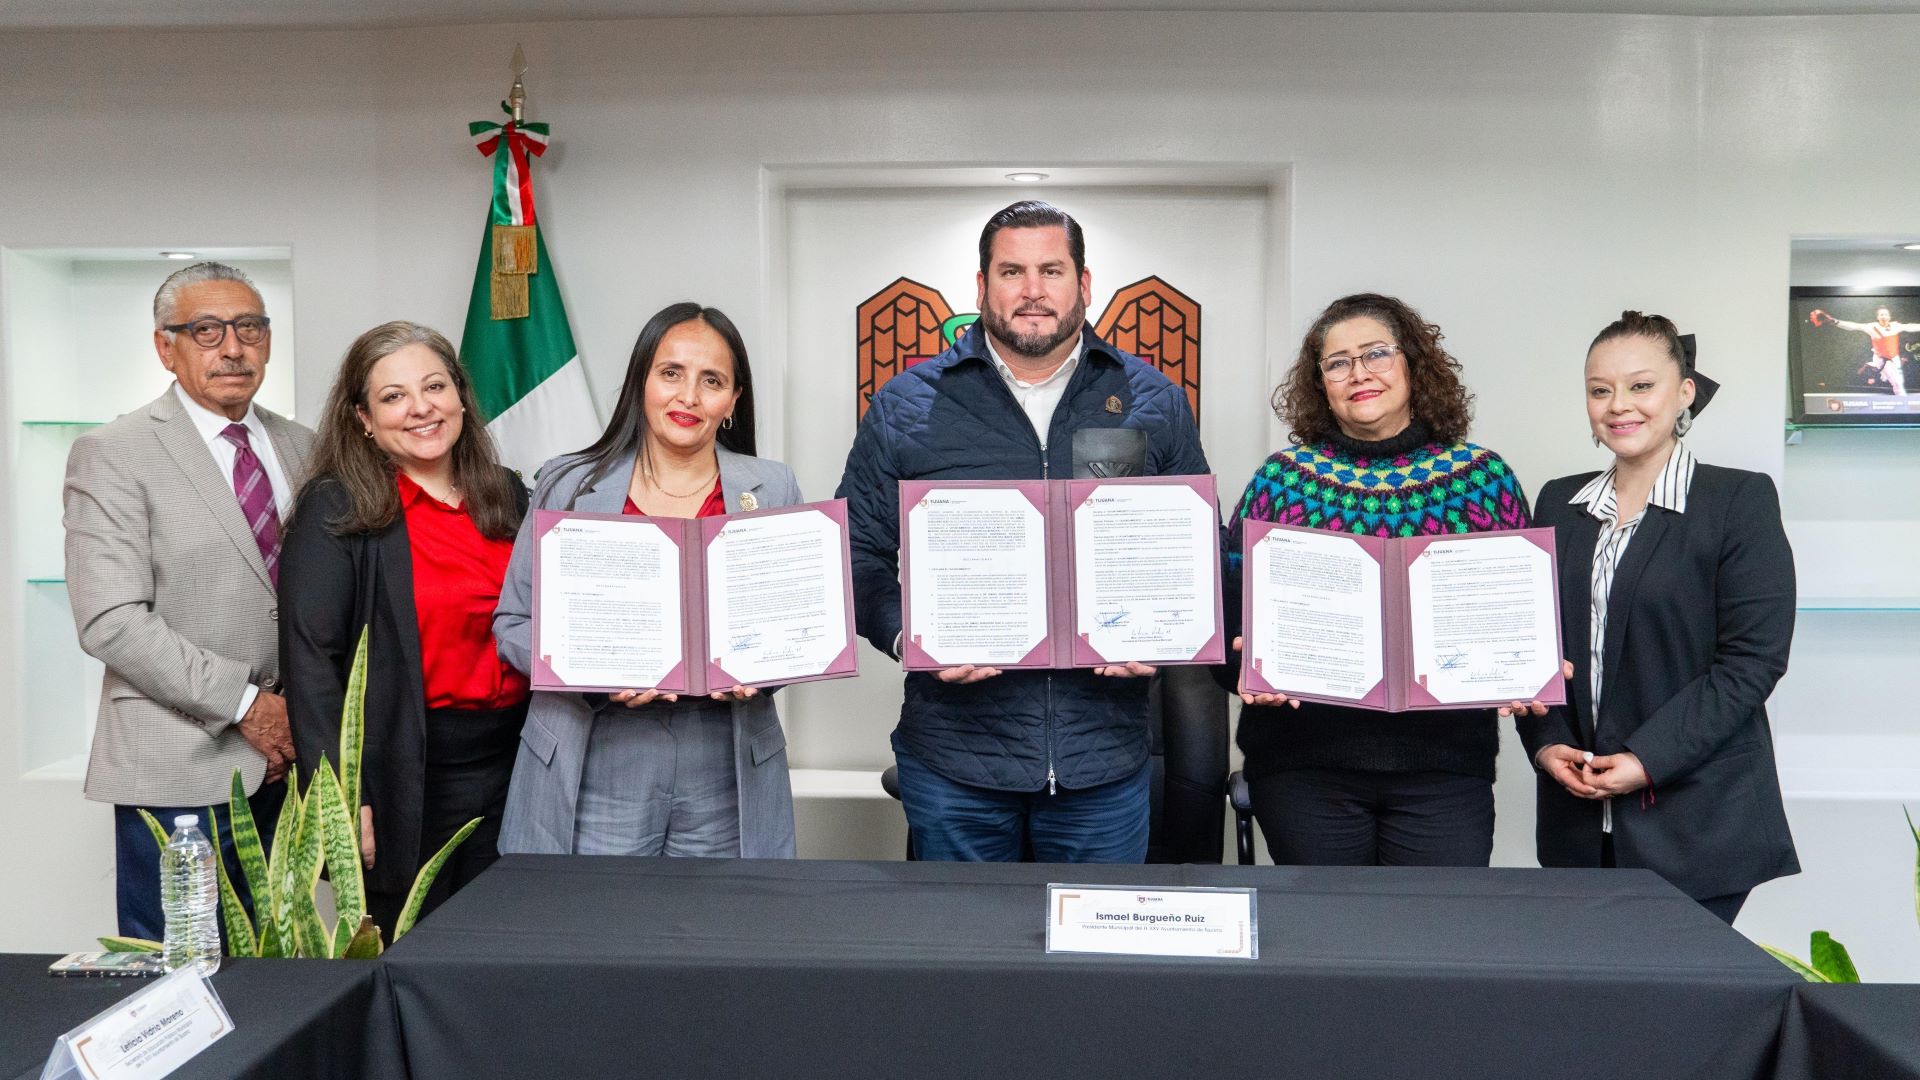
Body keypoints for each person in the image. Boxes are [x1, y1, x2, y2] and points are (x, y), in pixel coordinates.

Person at [836, 200, 1210, 863]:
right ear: (981, 287)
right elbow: (856, 555)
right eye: (1012, 271)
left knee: (1093, 964)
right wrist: (908, 635)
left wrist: (1169, 634)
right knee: (960, 957)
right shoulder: (906, 405)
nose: (1033, 291)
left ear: (1084, 284)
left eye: (1051, 270)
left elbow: (1200, 548)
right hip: (955, 763)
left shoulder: (1152, 399)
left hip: (1102, 763)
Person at [1223, 293, 1531, 867]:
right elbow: (1226, 622)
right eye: (1337, 362)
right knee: (1325, 943)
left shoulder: (1483, 480)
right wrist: (1242, 669)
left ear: (1413, 362)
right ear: (1320, 383)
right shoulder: (1282, 482)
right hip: (1303, 767)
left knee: (1431, 942)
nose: (1358, 373)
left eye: (1376, 354)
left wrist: (1527, 667)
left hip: (1442, 769)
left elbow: (1521, 615)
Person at [1520, 311, 1799, 924]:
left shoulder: (1737, 501)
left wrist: (1646, 760)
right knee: (1589, 1010)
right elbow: (1532, 648)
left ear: (1684, 392)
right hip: (1577, 825)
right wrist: (1547, 745)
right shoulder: (1558, 505)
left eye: (1641, 385)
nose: (1619, 405)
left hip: (1698, 823)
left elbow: (1751, 665)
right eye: (1600, 390)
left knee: (1678, 1015)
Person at [63, 261, 314, 939]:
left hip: (291, 766)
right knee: (176, 991)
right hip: (177, 767)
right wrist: (247, 705)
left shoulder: (304, 447)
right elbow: (111, 621)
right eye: (206, 330)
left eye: (250, 328)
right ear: (164, 346)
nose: (233, 348)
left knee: (281, 978)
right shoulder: (112, 453)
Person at [495, 302, 798, 858]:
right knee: (592, 935)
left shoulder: (773, 487)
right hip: (595, 754)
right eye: (671, 373)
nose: (688, 397)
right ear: (641, 382)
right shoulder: (568, 483)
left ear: (732, 401)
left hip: (725, 763)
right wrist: (591, 673)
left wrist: (769, 667)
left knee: (722, 935)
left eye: (712, 381)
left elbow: (792, 626)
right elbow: (513, 622)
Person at [280, 322, 529, 938]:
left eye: (435, 386)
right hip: (404, 778)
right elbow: (310, 662)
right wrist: (341, 800)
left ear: (462, 398)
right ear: (363, 417)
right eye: (393, 396)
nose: (421, 408)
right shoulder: (336, 507)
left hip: (517, 771)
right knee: (415, 961)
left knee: (512, 952)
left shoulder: (509, 496)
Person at [1816, 305, 1920, 395]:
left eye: (1885, 314)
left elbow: (1910, 326)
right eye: (1881, 314)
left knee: (1896, 380)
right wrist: (1834, 321)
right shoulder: (1872, 327)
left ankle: (1881, 375)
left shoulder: (1895, 326)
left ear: (1889, 317)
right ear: (1877, 317)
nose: (1883, 316)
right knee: (1897, 383)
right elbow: (1853, 326)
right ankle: (1901, 403)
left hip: (1894, 358)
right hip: (1881, 359)